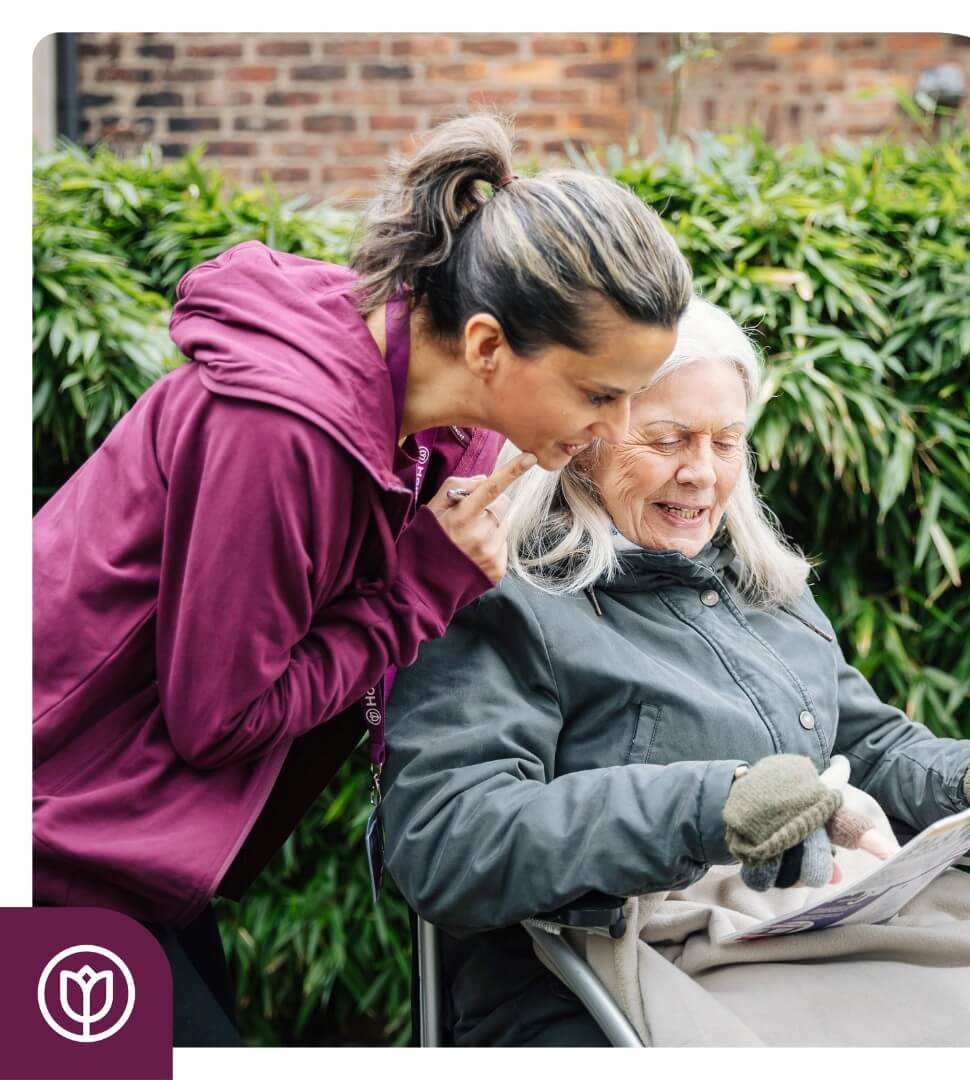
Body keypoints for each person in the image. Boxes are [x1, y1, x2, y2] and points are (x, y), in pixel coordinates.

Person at [31, 113, 692, 1045]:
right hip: (47, 837)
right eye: (597, 395)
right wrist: (425, 583)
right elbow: (218, 719)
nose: (617, 427)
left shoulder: (437, 428)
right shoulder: (282, 431)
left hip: (119, 845)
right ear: (488, 345)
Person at [380, 296, 970, 1047]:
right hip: (603, 969)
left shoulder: (761, 588)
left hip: (803, 929)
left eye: (727, 441)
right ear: (581, 439)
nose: (702, 473)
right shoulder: (504, 595)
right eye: (666, 439)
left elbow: (865, 748)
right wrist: (710, 806)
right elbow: (448, 839)